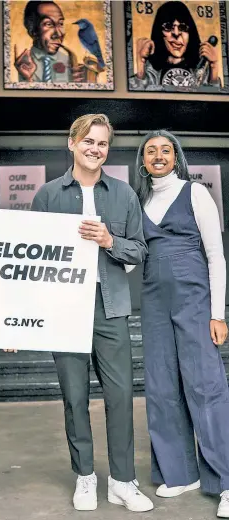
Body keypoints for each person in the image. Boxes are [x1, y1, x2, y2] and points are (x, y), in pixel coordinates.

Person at [30, 114, 153, 512]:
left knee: (119, 397)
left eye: (102, 143)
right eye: (88, 141)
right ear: (72, 144)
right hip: (64, 309)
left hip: (109, 308)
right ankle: (85, 476)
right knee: (74, 397)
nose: (94, 149)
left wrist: (109, 240)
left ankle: (122, 480)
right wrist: (17, 323)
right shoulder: (48, 195)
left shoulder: (123, 194)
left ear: (106, 150)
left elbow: (140, 249)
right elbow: (30, 261)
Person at [135, 129, 229, 518]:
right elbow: (128, 258)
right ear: (142, 159)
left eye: (165, 150)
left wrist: (218, 313)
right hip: (153, 301)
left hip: (194, 300)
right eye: (151, 151)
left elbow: (216, 256)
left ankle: (225, 481)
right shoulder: (138, 200)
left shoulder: (194, 193)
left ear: (176, 156)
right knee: (160, 386)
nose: (158, 156)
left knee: (206, 387)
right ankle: (180, 473)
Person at [130, 0, 220, 91]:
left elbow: (213, 98)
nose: (176, 33)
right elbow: (138, 96)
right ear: (159, 33)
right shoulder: (152, 68)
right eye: (168, 27)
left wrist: (214, 67)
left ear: (190, 33)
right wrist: (141, 62)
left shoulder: (201, 68)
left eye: (183, 27)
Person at [14, 1, 96, 83]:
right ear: (32, 30)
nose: (59, 34)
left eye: (61, 23)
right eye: (49, 24)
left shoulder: (70, 62)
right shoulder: (23, 64)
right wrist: (27, 79)